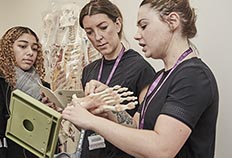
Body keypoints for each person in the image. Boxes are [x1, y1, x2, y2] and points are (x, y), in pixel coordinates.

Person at [62, 0, 219, 157]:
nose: (137, 35)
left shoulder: (194, 76)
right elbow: (136, 126)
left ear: (172, 22)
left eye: (143, 26)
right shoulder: (161, 77)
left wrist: (91, 121)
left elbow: (161, 149)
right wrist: (108, 105)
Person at [77, 0, 155, 158]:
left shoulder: (140, 68)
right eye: (89, 32)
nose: (97, 37)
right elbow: (87, 125)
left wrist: (111, 104)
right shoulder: (89, 71)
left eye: (103, 27)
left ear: (117, 24)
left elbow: (144, 130)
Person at [0, 26, 51, 158]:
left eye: (34, 48)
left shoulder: (45, 87)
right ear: (8, 50)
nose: (30, 52)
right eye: (23, 46)